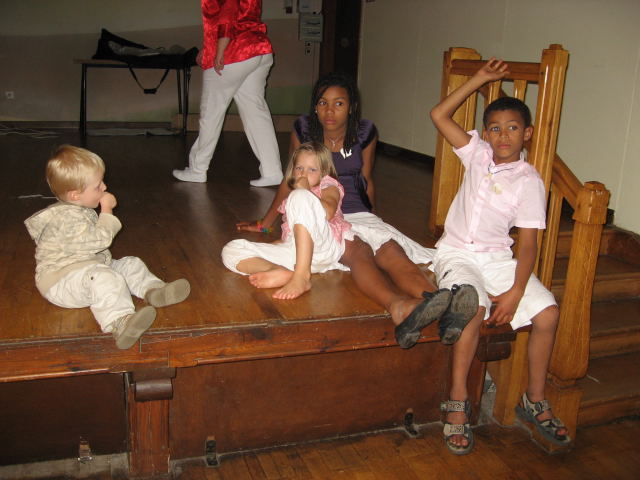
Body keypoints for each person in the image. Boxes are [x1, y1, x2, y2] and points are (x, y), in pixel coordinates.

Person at [237, 72, 478, 348]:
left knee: (390, 250)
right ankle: (399, 305)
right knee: (359, 251)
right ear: (315, 106)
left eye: (338, 103)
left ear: (351, 107)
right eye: (323, 103)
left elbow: (366, 179)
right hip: (323, 214)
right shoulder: (303, 130)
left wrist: (374, 218)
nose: (330, 111)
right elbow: (290, 179)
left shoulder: (365, 132)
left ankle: (440, 303)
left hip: (357, 210)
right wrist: (266, 222)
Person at [430, 58, 570, 454]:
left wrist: (515, 291)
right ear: (485, 133)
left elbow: (527, 244)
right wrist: (478, 79)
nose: (503, 136)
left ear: (527, 134)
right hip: (457, 253)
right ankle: (458, 400)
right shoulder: (475, 154)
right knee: (472, 307)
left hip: (497, 260)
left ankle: (534, 398)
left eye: (512, 128)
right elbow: (439, 115)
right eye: (494, 128)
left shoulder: (529, 182)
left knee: (548, 312)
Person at [25, 145, 191, 350]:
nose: (104, 187)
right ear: (75, 195)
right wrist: (107, 209)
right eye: (97, 186)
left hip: (86, 268)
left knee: (130, 263)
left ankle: (154, 290)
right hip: (62, 282)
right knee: (105, 277)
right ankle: (120, 322)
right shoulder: (65, 219)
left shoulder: (76, 208)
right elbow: (100, 240)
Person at [173, 0, 283, 187]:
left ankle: (197, 170)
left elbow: (227, 16)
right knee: (256, 112)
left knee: (211, 113)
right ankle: (272, 171)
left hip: (234, 53)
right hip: (259, 49)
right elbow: (241, 18)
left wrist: (219, 50)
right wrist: (209, 48)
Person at [222, 142, 352, 299]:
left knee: (299, 196)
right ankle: (276, 270)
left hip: (323, 248)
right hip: (297, 255)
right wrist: (268, 249)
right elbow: (291, 237)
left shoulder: (328, 186)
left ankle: (302, 278)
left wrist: (305, 190)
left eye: (312, 169)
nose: (303, 174)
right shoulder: (295, 194)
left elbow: (329, 212)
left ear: (324, 172)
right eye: (299, 168)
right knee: (231, 249)